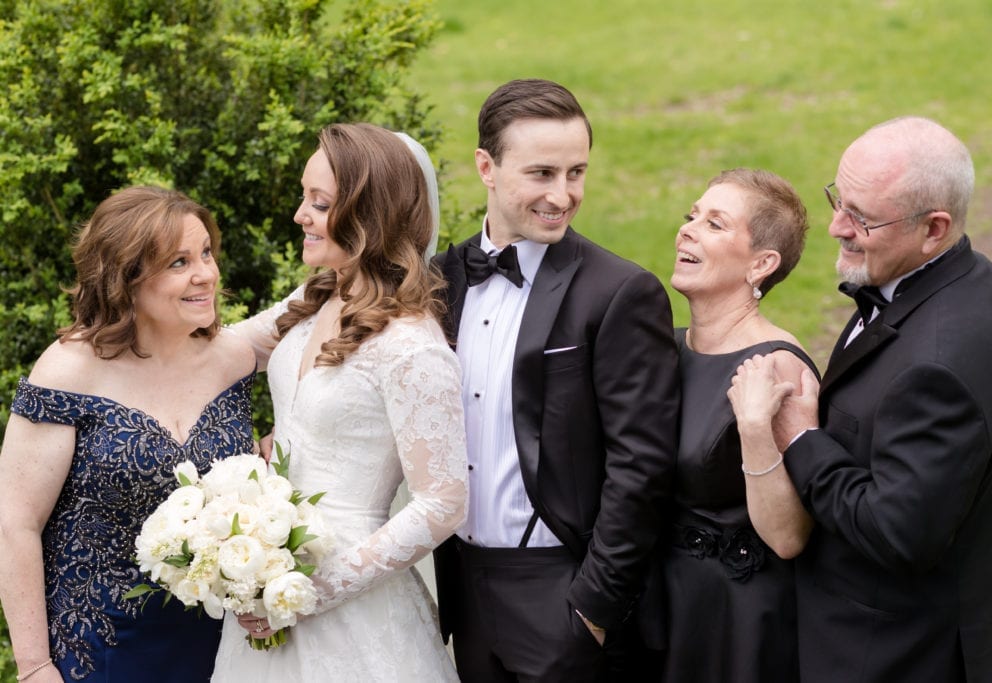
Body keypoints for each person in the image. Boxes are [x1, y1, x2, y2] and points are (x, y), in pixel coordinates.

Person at [733, 116, 992, 682]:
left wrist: (801, 437)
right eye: (838, 200)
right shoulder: (960, 276)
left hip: (894, 653)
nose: (837, 226)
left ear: (933, 228)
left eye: (861, 218)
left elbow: (897, 531)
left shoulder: (941, 364)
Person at [432, 78, 680, 681]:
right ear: (486, 167)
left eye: (577, 173)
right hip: (462, 588)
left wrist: (591, 608)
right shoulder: (441, 280)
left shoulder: (619, 292)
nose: (563, 195)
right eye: (542, 173)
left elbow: (641, 464)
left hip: (561, 594)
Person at [211, 122, 466, 681]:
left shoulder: (411, 347)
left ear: (369, 218)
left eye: (319, 203)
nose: (300, 214)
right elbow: (227, 349)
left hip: (350, 598)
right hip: (265, 566)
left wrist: (304, 592)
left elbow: (443, 503)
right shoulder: (318, 294)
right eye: (305, 197)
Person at [0, 186, 257, 682]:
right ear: (126, 279)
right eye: (179, 262)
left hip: (220, 646)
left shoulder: (233, 359)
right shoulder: (67, 371)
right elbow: (15, 523)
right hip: (100, 647)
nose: (205, 272)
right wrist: (34, 667)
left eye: (206, 252)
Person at [660, 168, 817, 682]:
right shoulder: (664, 347)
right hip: (657, 602)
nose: (688, 229)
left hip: (735, 621)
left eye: (715, 224)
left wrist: (753, 429)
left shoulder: (778, 367)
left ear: (761, 264)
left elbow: (789, 535)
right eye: (692, 217)